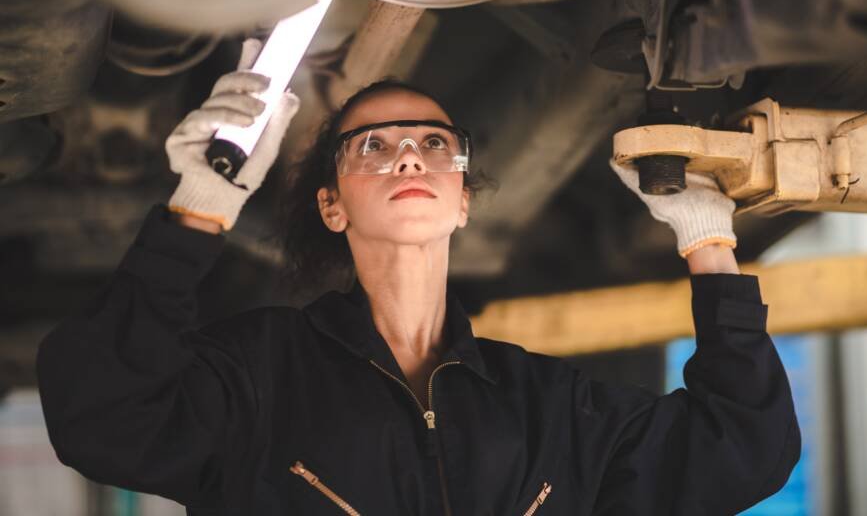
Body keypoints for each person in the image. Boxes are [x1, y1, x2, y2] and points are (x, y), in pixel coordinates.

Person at [37, 40, 800, 515]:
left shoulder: (546, 406)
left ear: (463, 200)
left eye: (434, 143)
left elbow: (743, 447)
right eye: (372, 146)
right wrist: (197, 212)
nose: (408, 155)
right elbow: (102, 416)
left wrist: (707, 239)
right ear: (330, 206)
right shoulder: (262, 376)